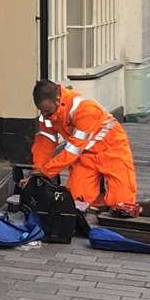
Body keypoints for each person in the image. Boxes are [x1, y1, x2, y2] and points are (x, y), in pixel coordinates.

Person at [30, 79, 138, 207]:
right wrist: (37, 169)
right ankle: (95, 211)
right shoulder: (48, 114)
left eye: (47, 111)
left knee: (122, 205)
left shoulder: (86, 109)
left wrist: (45, 172)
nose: (44, 115)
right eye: (41, 111)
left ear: (58, 100)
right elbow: (45, 141)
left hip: (112, 150)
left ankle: (105, 209)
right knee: (76, 201)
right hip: (85, 155)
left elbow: (73, 149)